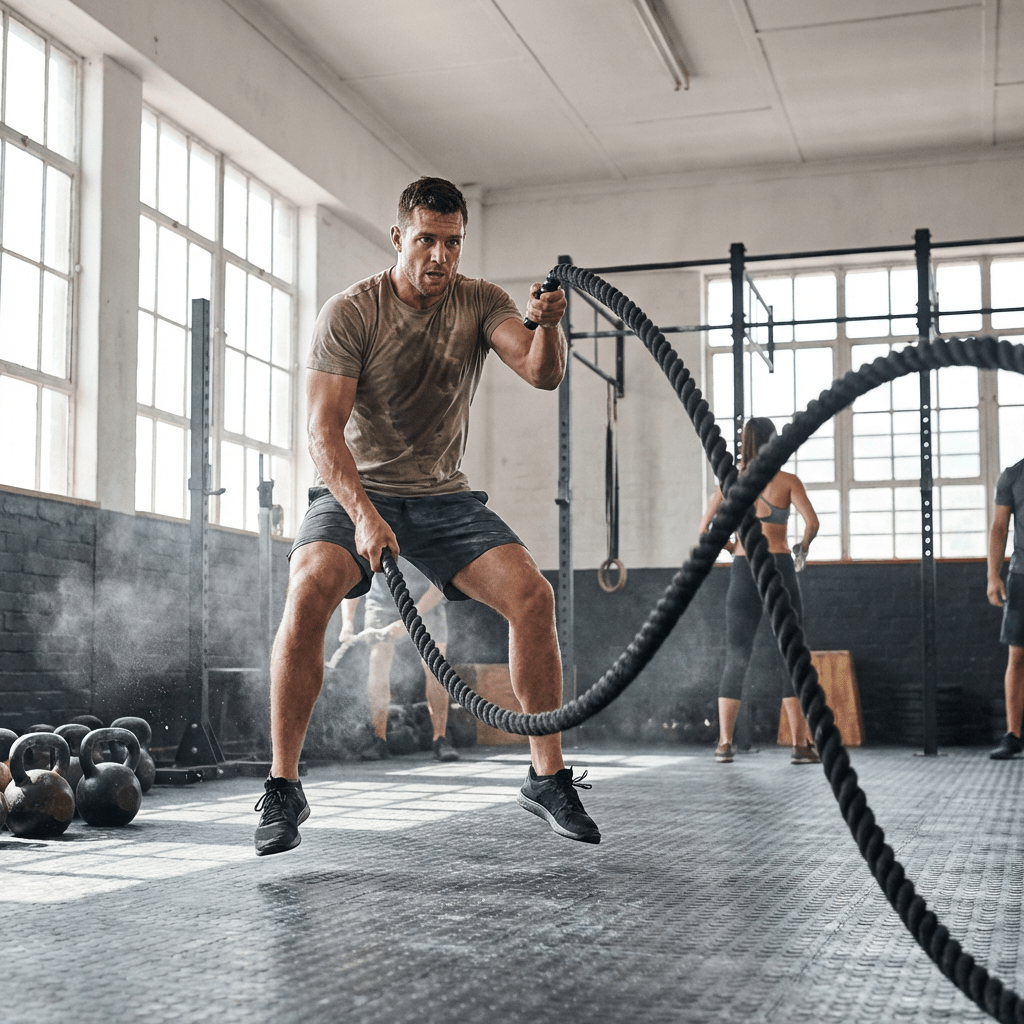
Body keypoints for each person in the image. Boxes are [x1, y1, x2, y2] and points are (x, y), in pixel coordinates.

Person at [253, 176, 600, 855]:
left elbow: (541, 372)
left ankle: (547, 776)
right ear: (398, 238)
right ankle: (283, 785)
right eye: (426, 241)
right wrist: (361, 515)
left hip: (443, 498)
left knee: (533, 595)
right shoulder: (352, 312)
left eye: (452, 243)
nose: (439, 257)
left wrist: (551, 326)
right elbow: (323, 434)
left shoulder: (481, 302)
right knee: (308, 592)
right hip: (355, 487)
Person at [697, 416, 820, 765]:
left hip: (743, 569)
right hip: (779, 567)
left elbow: (705, 531)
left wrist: (733, 546)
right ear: (772, 441)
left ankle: (724, 744)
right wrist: (803, 547)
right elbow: (812, 522)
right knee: (791, 656)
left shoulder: (729, 483)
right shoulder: (787, 480)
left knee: (737, 654)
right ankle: (800, 745)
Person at [337, 557, 460, 762]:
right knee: (377, 666)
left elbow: (438, 587)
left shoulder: (425, 532)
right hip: (382, 605)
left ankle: (440, 739)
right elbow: (351, 582)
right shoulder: (368, 533)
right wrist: (347, 622)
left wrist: (409, 618)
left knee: (435, 668)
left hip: (426, 602)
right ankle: (379, 740)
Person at [987, 457, 1024, 759]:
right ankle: (1013, 736)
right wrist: (992, 576)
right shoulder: (1013, 476)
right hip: (1022, 576)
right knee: (1018, 655)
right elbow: (999, 527)